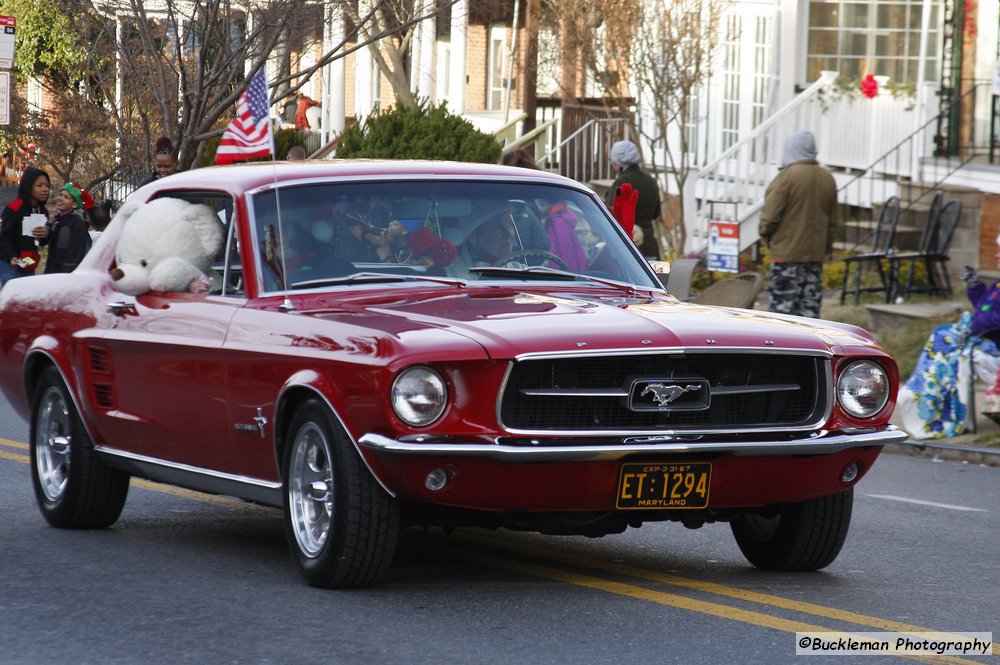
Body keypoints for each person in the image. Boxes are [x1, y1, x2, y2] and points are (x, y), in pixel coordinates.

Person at [896, 258, 1000, 439]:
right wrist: (975, 287)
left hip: (993, 346)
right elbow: (982, 308)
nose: (997, 256)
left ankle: (930, 400)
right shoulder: (997, 285)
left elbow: (994, 319)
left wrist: (972, 328)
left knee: (949, 347)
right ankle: (922, 392)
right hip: (983, 338)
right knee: (941, 334)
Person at [758, 130, 837, 318]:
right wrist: (824, 248)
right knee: (809, 315)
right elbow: (833, 222)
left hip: (787, 256)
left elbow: (770, 215)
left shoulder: (787, 177)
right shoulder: (828, 178)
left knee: (782, 315)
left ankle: (780, 348)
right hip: (815, 256)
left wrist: (766, 237)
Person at [604, 140, 662, 259]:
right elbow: (656, 214)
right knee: (653, 277)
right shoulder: (651, 181)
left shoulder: (621, 183)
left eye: (612, 161)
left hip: (627, 246)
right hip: (650, 246)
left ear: (618, 164)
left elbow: (609, 215)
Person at [0, 167, 50, 285]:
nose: (45, 189)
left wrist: (47, 233)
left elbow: (41, 242)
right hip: (10, 263)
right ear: (28, 187)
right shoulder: (14, 208)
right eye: (39, 185)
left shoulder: (43, 211)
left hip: (29, 262)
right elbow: (4, 237)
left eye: (47, 185)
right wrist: (11, 257)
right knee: (14, 297)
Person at [446, 203, 520, 279]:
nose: (508, 234)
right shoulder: (452, 276)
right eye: (498, 227)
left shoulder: (523, 272)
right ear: (473, 237)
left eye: (510, 224)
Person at [41, 183, 92, 274]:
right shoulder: (55, 220)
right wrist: (44, 234)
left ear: (74, 205)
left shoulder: (77, 224)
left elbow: (77, 253)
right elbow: (44, 242)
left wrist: (67, 274)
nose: (60, 198)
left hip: (64, 274)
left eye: (66, 197)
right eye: (60, 195)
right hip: (51, 270)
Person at [536, 197, 588, 271]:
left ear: (553, 205)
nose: (539, 208)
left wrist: (570, 273)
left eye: (543, 205)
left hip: (565, 270)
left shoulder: (558, 222)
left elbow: (566, 250)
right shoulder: (555, 219)